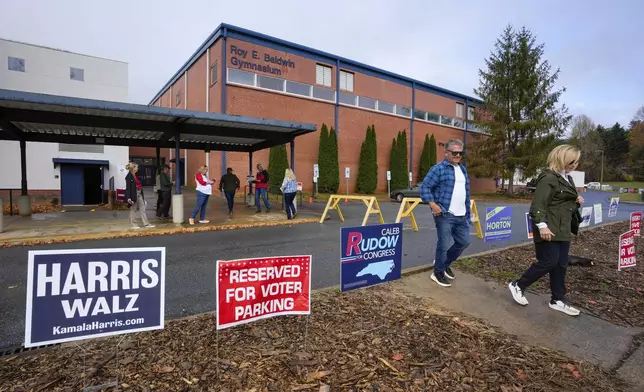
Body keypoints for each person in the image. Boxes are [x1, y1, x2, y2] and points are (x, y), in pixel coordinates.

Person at [509, 144, 584, 316]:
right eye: (572, 161)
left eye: (577, 162)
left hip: (563, 229)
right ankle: (518, 285)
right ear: (562, 158)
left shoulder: (568, 179)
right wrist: (542, 226)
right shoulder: (548, 178)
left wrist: (576, 201)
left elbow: (560, 203)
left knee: (560, 265)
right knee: (548, 261)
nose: (575, 165)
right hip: (548, 228)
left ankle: (557, 299)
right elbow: (538, 205)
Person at [419, 138, 471, 288]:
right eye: (455, 153)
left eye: (460, 153)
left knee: (464, 242)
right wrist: (433, 204)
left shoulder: (462, 169)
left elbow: (465, 192)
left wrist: (468, 211)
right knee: (443, 244)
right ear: (446, 153)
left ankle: (444, 263)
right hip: (445, 214)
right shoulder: (438, 169)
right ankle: (438, 273)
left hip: (462, 215)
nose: (458, 156)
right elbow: (425, 187)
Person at [125, 162, 155, 229]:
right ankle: (134, 224)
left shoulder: (136, 175)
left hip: (139, 193)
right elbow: (128, 188)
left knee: (143, 208)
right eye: (136, 167)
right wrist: (128, 197)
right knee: (133, 209)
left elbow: (140, 178)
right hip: (133, 194)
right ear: (133, 168)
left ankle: (146, 224)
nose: (138, 168)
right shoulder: (128, 177)